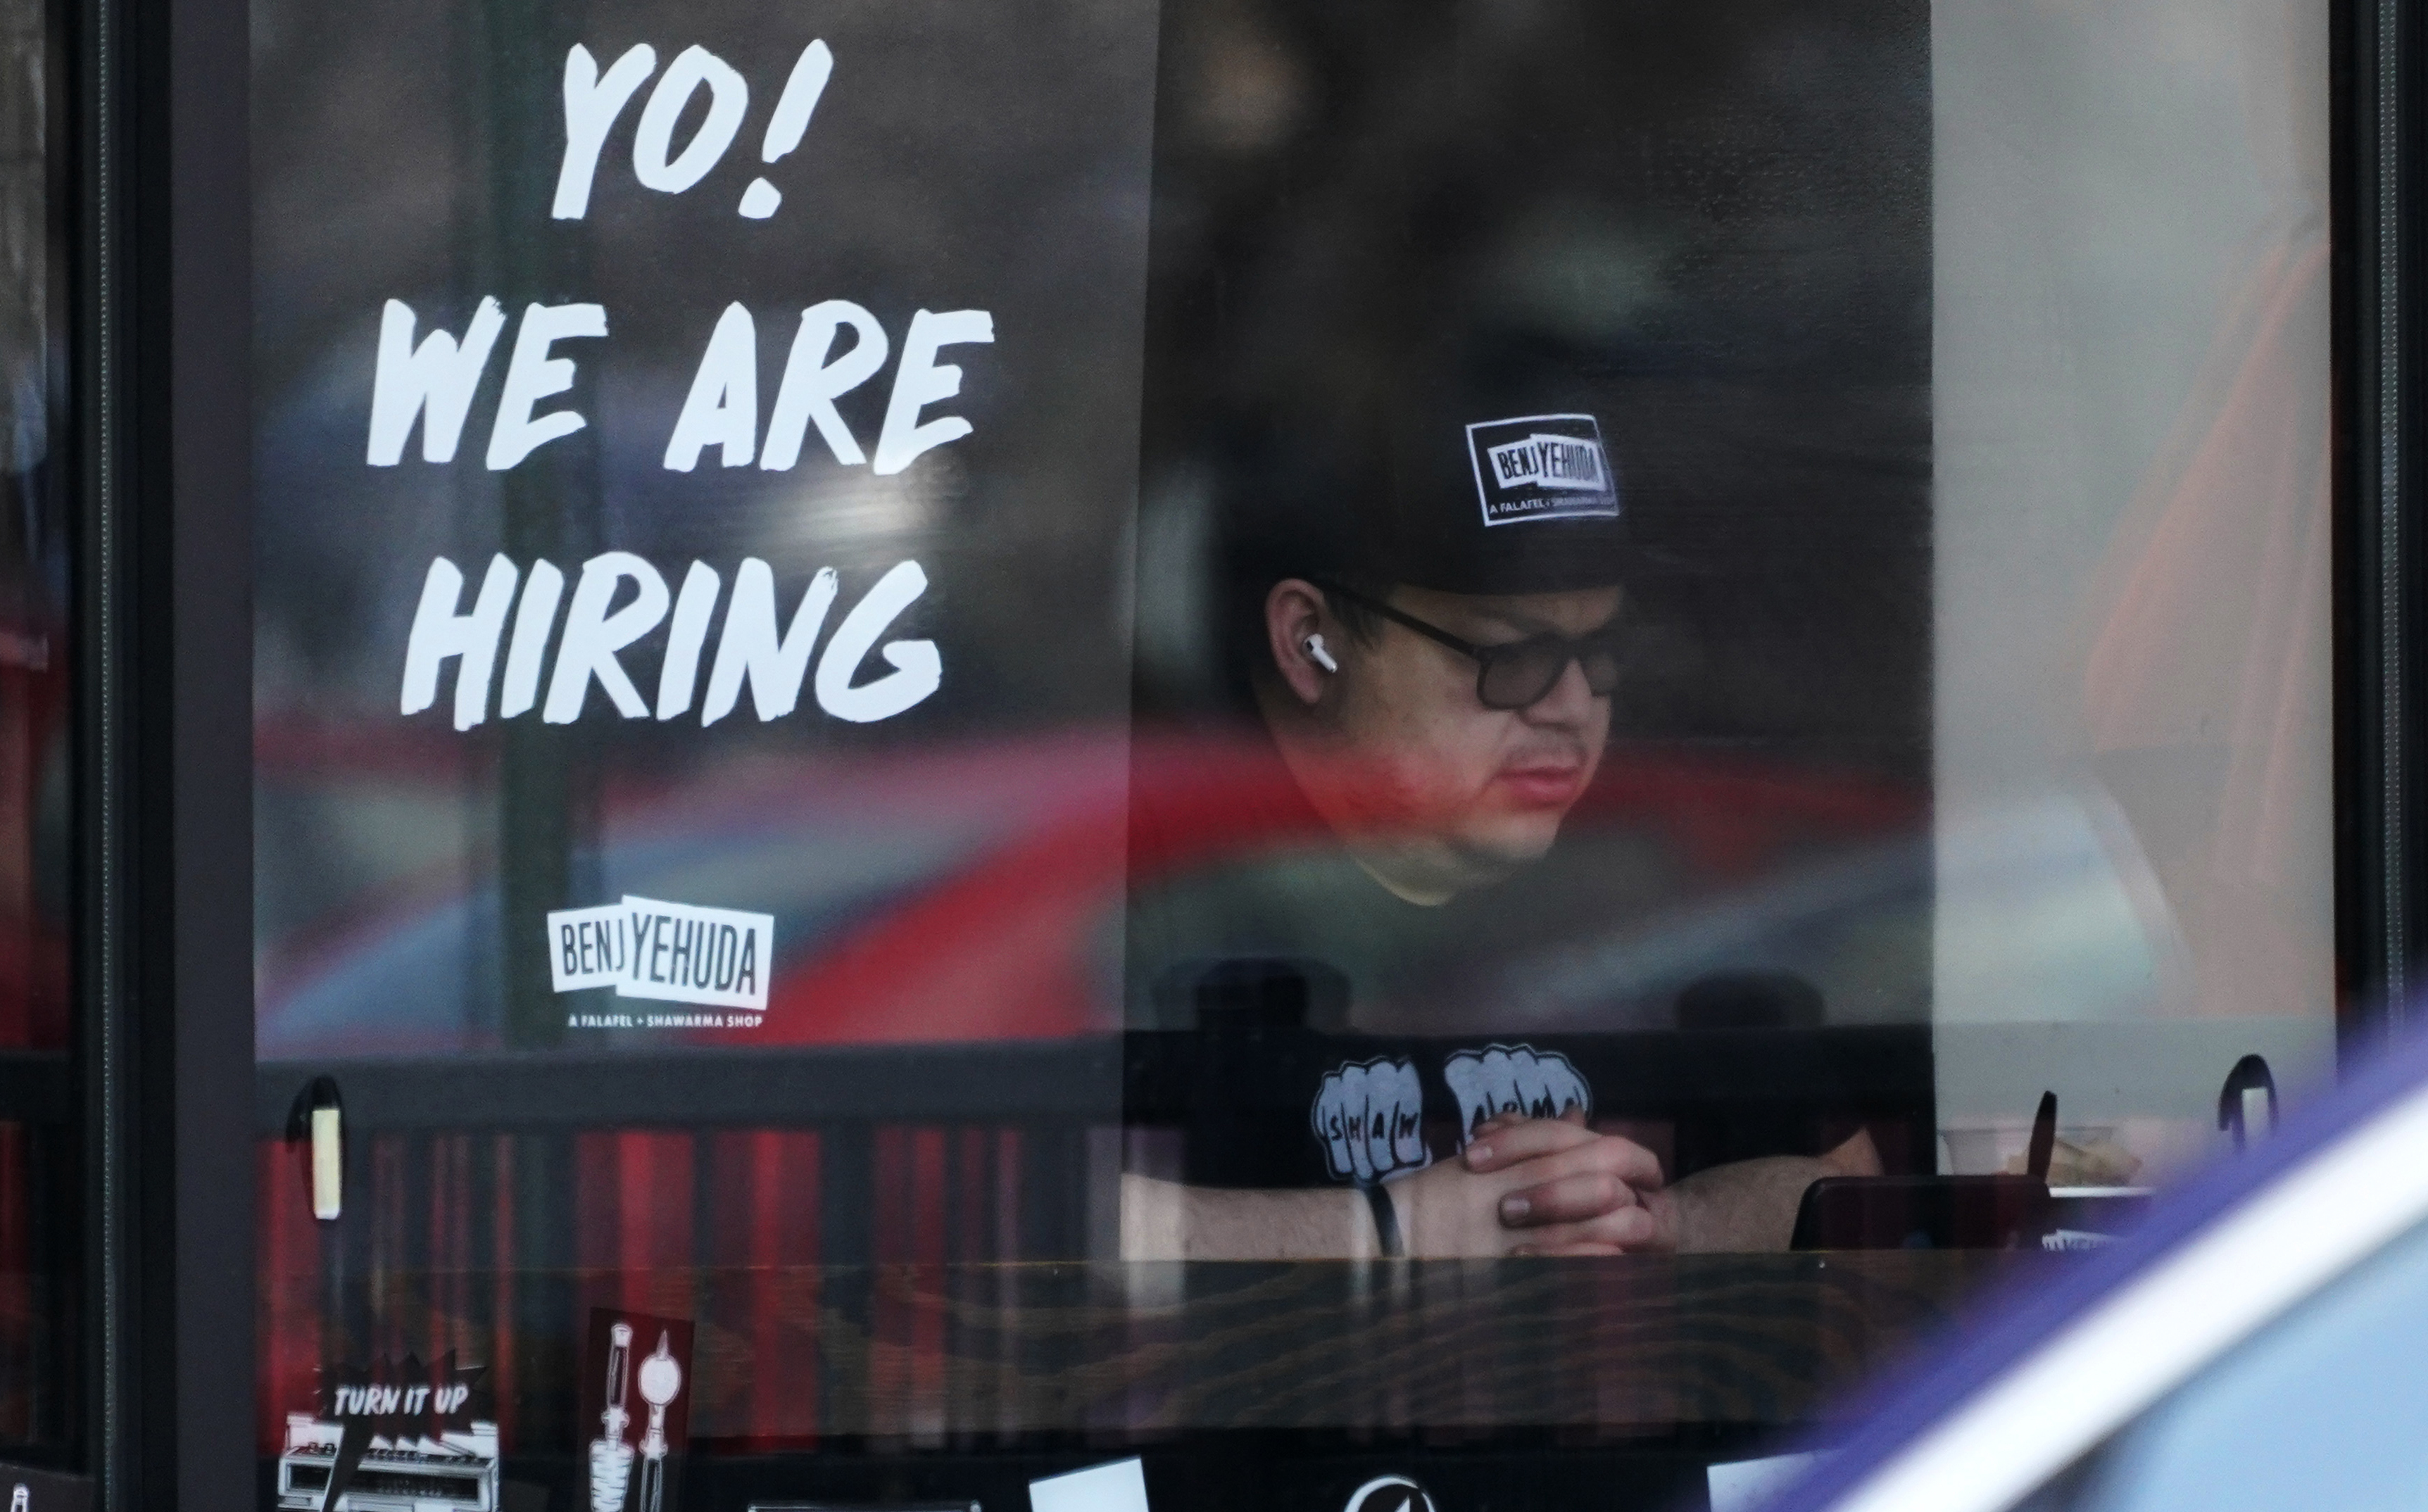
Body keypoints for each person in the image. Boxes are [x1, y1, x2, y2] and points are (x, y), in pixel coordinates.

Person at [1121, 392, 1881, 1259]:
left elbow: (1847, 1185)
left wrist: (1654, 1221)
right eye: (1510, 656)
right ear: (1310, 643)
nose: (1571, 706)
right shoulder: (1149, 900)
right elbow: (1022, 1210)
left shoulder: (1655, 898)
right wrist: (1386, 1232)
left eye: (1602, 652)